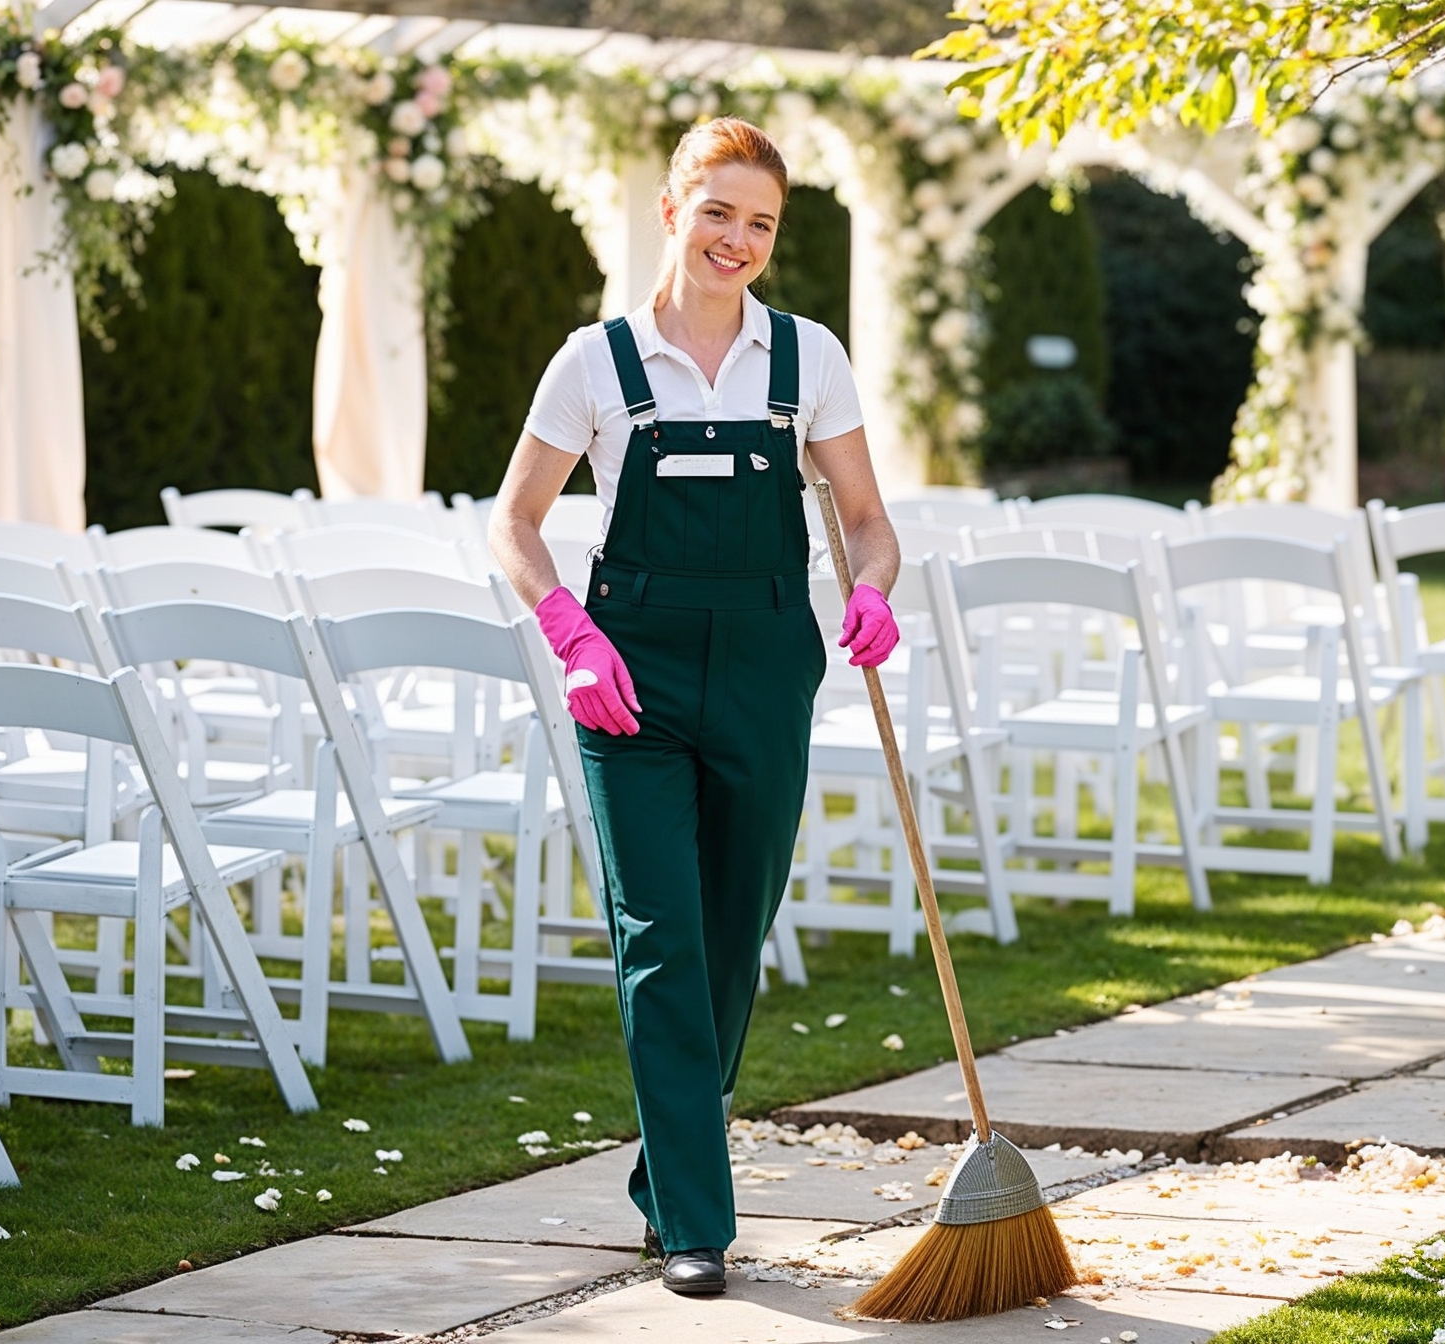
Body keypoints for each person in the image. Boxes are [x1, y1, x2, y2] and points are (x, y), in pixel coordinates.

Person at [489, 117, 901, 1298]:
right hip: (632, 678)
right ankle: (696, 1229)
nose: (738, 239)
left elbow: (868, 519)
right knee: (661, 940)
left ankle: (665, 1171)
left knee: (730, 939)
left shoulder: (804, 358)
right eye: (718, 211)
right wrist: (569, 634)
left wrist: (871, 591)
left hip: (770, 664)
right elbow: (512, 521)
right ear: (672, 210)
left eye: (760, 222)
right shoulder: (597, 363)